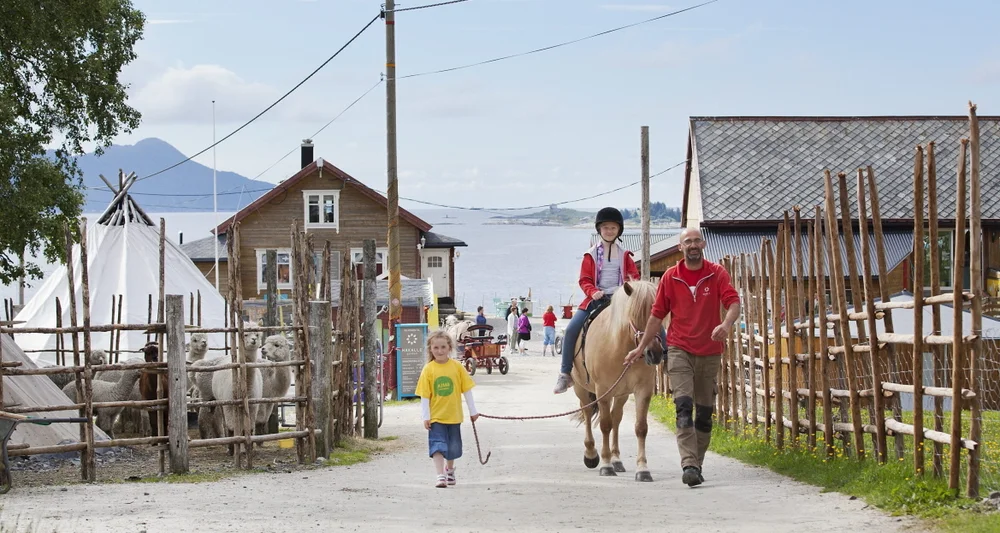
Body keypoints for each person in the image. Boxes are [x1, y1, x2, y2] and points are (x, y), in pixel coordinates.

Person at [624, 227, 740, 487]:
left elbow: (733, 302)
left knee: (704, 414)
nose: (693, 244)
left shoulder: (717, 273)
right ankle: (688, 463)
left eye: (697, 240)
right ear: (681, 247)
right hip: (679, 349)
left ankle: (696, 464)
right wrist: (640, 347)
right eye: (688, 241)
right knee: (684, 407)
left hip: (710, 351)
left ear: (704, 244)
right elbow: (656, 317)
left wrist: (726, 324)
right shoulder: (670, 277)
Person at [554, 207, 645, 394]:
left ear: (619, 230)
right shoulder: (591, 255)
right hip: (596, 298)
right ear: (599, 230)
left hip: (622, 299)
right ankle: (564, 373)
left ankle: (666, 357)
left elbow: (633, 277)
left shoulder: (625, 255)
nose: (609, 231)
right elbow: (584, 279)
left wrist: (629, 291)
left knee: (650, 321)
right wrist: (593, 291)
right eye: (605, 228)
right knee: (571, 329)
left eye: (613, 228)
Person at [416, 329, 480, 488]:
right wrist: (426, 416)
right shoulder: (428, 369)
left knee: (452, 448)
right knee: (437, 446)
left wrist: (473, 411)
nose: (439, 351)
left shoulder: (457, 367)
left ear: (449, 347)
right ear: (430, 348)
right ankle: (440, 475)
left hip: (454, 416)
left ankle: (449, 470)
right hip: (436, 417)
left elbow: (467, 390)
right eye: (436, 348)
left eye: (443, 347)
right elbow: (425, 395)